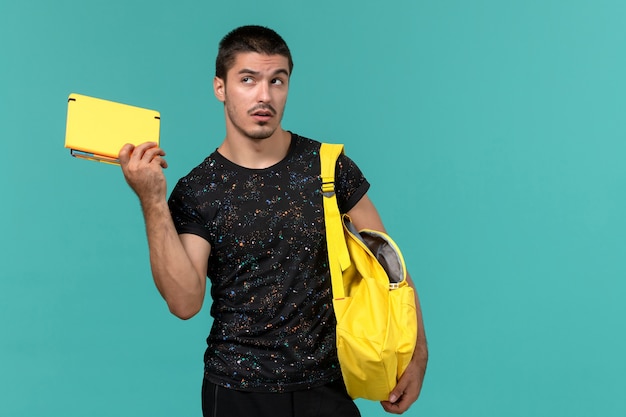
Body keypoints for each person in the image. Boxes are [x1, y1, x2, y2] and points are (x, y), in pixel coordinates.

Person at [119, 25, 427, 417]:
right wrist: (152, 199)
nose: (264, 95)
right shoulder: (198, 189)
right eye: (247, 80)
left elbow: (390, 268)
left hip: (327, 388)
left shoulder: (329, 168)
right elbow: (184, 302)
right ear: (220, 88)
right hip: (236, 392)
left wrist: (418, 353)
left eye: (276, 80)